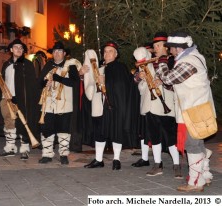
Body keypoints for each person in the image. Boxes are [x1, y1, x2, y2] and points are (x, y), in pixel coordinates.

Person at [155, 31, 214, 192]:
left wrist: (161, 60)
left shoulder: (188, 62)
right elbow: (176, 83)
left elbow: (168, 79)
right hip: (196, 108)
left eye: (170, 48)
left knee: (192, 145)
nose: (169, 51)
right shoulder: (193, 58)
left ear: (178, 48)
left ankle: (195, 183)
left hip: (194, 110)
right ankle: (205, 175)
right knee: (198, 144)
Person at [132, 32, 182, 179]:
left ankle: (176, 165)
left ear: (166, 47)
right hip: (150, 105)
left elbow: (178, 81)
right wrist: (139, 78)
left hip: (166, 105)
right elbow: (138, 83)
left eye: (158, 45)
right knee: (154, 137)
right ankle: (157, 164)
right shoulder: (148, 62)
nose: (156, 48)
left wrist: (164, 82)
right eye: (154, 46)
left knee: (170, 137)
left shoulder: (173, 61)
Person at [83, 41, 139, 170]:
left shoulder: (120, 67)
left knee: (116, 131)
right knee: (99, 132)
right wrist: (85, 75)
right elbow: (90, 86)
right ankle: (98, 159)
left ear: (116, 54)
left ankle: (116, 159)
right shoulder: (99, 68)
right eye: (105, 51)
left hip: (115, 106)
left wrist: (106, 82)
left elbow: (121, 86)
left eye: (110, 51)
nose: (107, 53)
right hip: (99, 106)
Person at [38, 41, 80, 165]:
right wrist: (46, 83)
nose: (56, 53)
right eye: (54, 51)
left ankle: (63, 155)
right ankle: (47, 154)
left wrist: (58, 78)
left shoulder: (70, 66)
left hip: (64, 105)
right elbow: (39, 83)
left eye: (59, 51)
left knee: (64, 130)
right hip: (48, 105)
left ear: (64, 53)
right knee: (47, 129)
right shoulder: (48, 65)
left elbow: (74, 83)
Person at [0, 39, 39, 160]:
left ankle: (24, 149)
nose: (19, 50)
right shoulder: (6, 65)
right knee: (8, 122)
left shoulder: (27, 64)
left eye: (21, 48)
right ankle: (10, 148)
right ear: (11, 50)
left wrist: (20, 98)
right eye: (16, 47)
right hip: (6, 99)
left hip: (22, 100)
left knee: (23, 122)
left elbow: (31, 85)